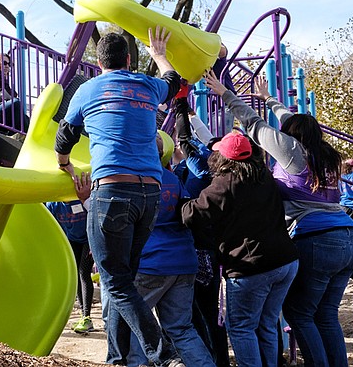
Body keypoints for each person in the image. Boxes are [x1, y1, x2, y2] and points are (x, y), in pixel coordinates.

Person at [204, 70, 353, 367]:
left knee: (300, 314)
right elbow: (291, 120)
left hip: (317, 239)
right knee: (326, 315)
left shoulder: (291, 151)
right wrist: (270, 98)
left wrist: (225, 93)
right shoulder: (325, 154)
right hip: (349, 237)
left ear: (291, 136)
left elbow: (253, 123)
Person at [54, 26, 182, 366]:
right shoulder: (146, 85)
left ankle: (161, 348)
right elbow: (174, 82)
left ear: (99, 62)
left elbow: (64, 135)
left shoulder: (87, 89)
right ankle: (118, 358)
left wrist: (63, 163)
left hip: (112, 191)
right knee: (122, 281)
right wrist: (159, 56)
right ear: (128, 60)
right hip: (149, 195)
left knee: (116, 282)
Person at [182, 131, 299, 367]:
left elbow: (191, 214)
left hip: (252, 266)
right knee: (266, 324)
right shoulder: (264, 176)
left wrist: (177, 201)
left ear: (222, 158)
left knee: (241, 328)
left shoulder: (224, 184)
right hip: (286, 261)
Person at [128, 133, 215, 367]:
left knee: (135, 325)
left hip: (151, 263)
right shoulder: (172, 178)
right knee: (181, 328)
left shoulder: (134, 181)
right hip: (183, 261)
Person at [172, 91, 230, 367]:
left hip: (199, 251)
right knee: (206, 313)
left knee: (199, 313)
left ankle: (209, 360)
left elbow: (186, 141)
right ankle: (215, 359)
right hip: (205, 248)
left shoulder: (203, 169)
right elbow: (201, 139)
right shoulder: (218, 167)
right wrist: (189, 115)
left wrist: (181, 105)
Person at [45, 171, 95, 334]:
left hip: (89, 237)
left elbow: (94, 217)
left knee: (83, 272)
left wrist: (95, 244)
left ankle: (87, 317)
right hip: (72, 238)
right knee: (75, 273)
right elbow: (53, 226)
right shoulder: (53, 204)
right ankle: (83, 315)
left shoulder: (81, 198)